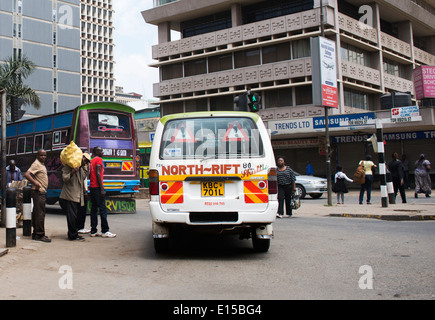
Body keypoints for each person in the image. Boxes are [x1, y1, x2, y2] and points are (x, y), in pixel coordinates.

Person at [59, 153, 90, 241]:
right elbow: (65, 178)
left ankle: (74, 234)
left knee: (76, 216)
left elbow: (83, 177)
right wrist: (72, 172)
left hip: (77, 196)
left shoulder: (81, 168)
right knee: (72, 217)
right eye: (85, 160)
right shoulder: (68, 166)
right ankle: (72, 235)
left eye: (87, 161)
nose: (85, 162)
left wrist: (84, 167)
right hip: (70, 195)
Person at [24, 149, 51, 242]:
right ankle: (40, 235)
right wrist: (35, 182)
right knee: (40, 214)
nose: (43, 157)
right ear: (37, 156)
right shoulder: (36, 164)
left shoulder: (41, 164)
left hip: (41, 192)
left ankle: (36, 234)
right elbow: (27, 174)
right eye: (41, 155)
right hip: (39, 192)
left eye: (45, 155)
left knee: (37, 213)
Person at [89, 146, 116, 237]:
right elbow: (98, 173)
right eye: (101, 151)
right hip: (97, 187)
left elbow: (90, 175)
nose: (102, 152)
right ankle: (105, 230)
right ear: (96, 152)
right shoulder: (99, 160)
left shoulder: (92, 160)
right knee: (103, 209)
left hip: (92, 187)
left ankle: (93, 230)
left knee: (94, 209)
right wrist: (101, 189)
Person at [77, 153, 91, 234]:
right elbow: (82, 180)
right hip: (82, 192)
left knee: (82, 210)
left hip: (83, 191)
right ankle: (80, 227)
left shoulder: (83, 167)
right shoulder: (82, 168)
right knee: (82, 210)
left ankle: (81, 227)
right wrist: (85, 191)